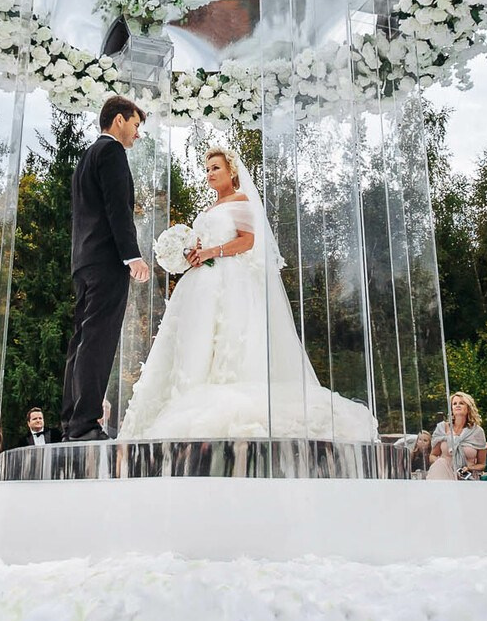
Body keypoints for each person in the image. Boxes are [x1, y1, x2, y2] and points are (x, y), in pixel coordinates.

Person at [119, 145, 380, 441]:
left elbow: (247, 241)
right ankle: (181, 404)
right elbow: (203, 245)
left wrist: (211, 251)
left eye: (216, 168)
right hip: (199, 284)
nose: (210, 174)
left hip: (230, 281)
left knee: (229, 342)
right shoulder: (208, 210)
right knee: (194, 342)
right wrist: (192, 254)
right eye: (207, 170)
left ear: (231, 171)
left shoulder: (241, 201)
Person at [62, 95, 154, 442]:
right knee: (99, 340)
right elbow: (118, 208)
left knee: (82, 341)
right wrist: (132, 256)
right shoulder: (112, 152)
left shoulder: (87, 156)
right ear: (119, 120)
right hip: (106, 262)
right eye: (135, 125)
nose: (137, 134)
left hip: (84, 263)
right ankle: (86, 424)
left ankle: (72, 421)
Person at [426, 392, 486, 480]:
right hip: (442, 475)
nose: (457, 405)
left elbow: (482, 464)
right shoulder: (442, 428)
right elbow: (432, 456)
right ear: (451, 409)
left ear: (468, 408)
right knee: (441, 463)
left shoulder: (477, 432)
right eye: (454, 404)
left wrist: (469, 468)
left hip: (465, 478)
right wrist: (444, 466)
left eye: (461, 403)